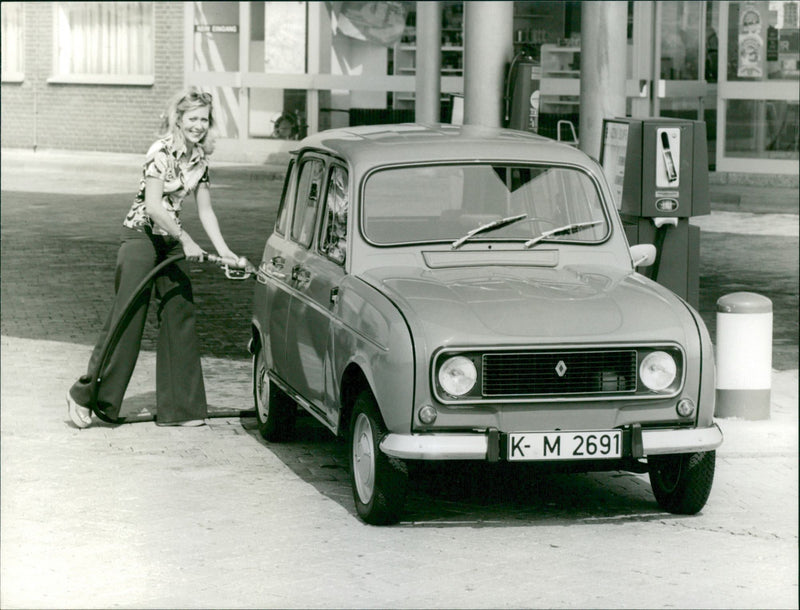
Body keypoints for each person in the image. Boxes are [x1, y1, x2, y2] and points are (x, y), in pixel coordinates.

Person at [66, 87, 239, 428]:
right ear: (178, 119)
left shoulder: (200, 159)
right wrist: (186, 240)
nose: (198, 126)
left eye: (204, 119)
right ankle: (84, 395)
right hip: (141, 236)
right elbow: (154, 208)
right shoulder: (159, 152)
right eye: (192, 119)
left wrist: (225, 252)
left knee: (179, 308)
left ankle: (183, 409)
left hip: (168, 239)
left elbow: (206, 211)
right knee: (129, 315)